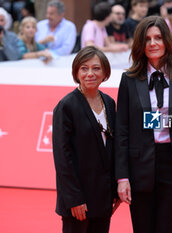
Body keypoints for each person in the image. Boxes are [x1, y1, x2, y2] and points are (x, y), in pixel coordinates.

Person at [115, 16, 172, 233]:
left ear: (167, 40)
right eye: (147, 39)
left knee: (170, 228)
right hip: (140, 165)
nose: (153, 43)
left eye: (158, 37)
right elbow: (122, 131)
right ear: (140, 44)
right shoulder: (129, 79)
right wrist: (122, 177)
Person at [52, 46, 120, 233]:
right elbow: (62, 158)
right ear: (76, 72)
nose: (90, 73)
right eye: (84, 68)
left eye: (96, 68)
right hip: (78, 201)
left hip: (103, 198)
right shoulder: (66, 106)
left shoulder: (109, 102)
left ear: (105, 72)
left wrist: (114, 191)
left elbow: (113, 150)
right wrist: (74, 199)